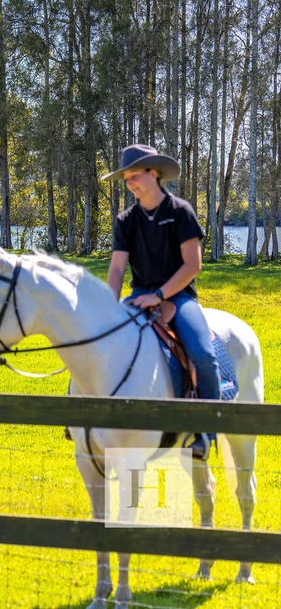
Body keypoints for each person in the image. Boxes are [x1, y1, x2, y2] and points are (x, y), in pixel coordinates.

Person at [103, 144, 219, 460]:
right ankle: (84, 419)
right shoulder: (126, 219)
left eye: (135, 176)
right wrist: (109, 306)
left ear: (154, 173)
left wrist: (160, 295)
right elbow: (116, 267)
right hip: (138, 295)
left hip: (179, 297)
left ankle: (206, 432)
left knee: (203, 353)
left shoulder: (180, 212)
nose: (130, 184)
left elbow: (192, 265)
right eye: (126, 179)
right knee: (99, 340)